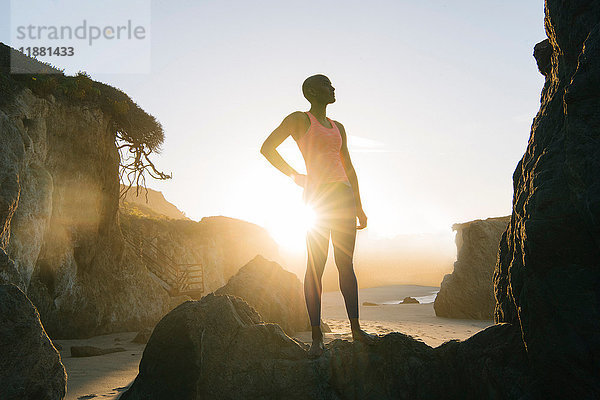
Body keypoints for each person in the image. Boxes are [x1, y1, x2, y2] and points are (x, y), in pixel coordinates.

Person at [260, 74, 376, 358]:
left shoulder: (339, 128)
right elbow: (267, 148)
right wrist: (296, 176)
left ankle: (356, 329)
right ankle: (316, 338)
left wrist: (359, 205)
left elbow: (349, 167)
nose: (333, 87)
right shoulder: (300, 120)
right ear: (311, 91)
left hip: (344, 198)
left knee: (345, 264)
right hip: (317, 199)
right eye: (327, 84)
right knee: (315, 267)